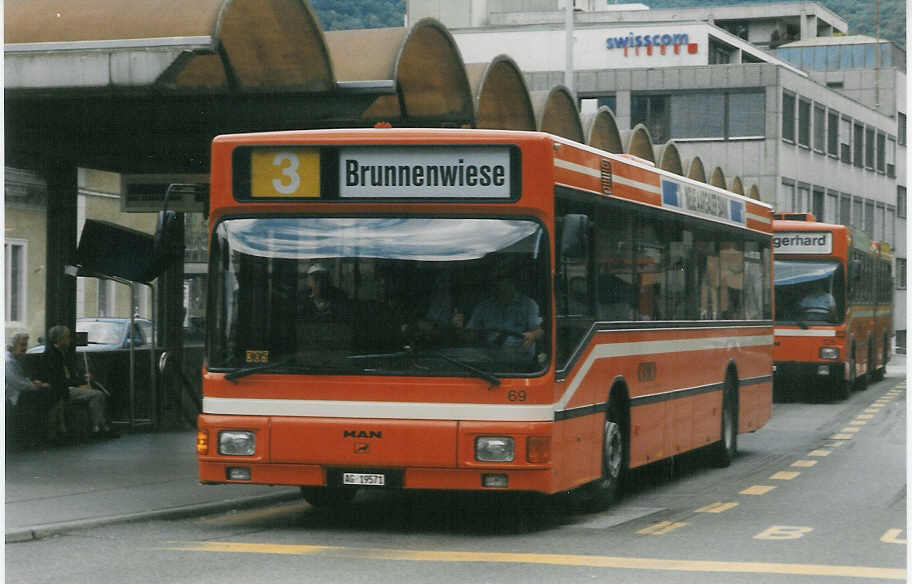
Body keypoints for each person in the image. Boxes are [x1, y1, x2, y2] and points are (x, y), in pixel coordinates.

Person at [44, 325, 119, 441]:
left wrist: (82, 380)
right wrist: (79, 384)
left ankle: (100, 426)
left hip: (66, 387)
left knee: (96, 393)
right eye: (67, 337)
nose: (69, 340)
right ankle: (98, 427)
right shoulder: (53, 356)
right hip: (62, 390)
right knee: (97, 395)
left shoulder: (59, 353)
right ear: (60, 339)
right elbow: (60, 379)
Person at [459, 264, 543, 358]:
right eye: (493, 280)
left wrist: (532, 335)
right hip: (490, 360)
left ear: (511, 280)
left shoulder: (529, 305)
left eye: (500, 278)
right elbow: (470, 334)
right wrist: (459, 328)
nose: (495, 283)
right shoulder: (484, 307)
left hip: (520, 361)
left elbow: (539, 331)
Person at [5, 333, 55, 446]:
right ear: (13, 345)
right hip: (10, 396)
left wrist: (32, 383)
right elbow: (18, 384)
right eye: (22, 345)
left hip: (15, 394)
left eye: (26, 345)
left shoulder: (12, 359)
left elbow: (20, 379)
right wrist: (38, 386)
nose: (25, 348)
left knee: (44, 395)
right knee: (44, 396)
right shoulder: (7, 362)